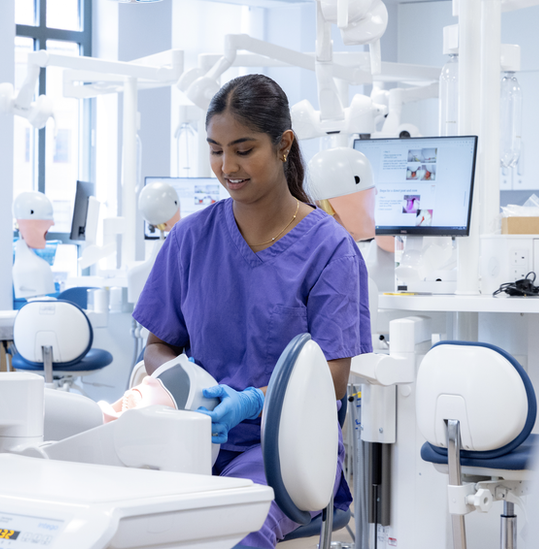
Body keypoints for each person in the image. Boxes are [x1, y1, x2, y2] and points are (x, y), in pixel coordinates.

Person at [132, 73, 371, 548]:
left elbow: (334, 374)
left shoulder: (329, 248)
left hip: (284, 448)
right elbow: (158, 345)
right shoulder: (189, 239)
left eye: (243, 149)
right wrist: (185, 383)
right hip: (192, 438)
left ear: (283, 145)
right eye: (216, 150)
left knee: (229, 531)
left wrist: (256, 400)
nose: (227, 166)